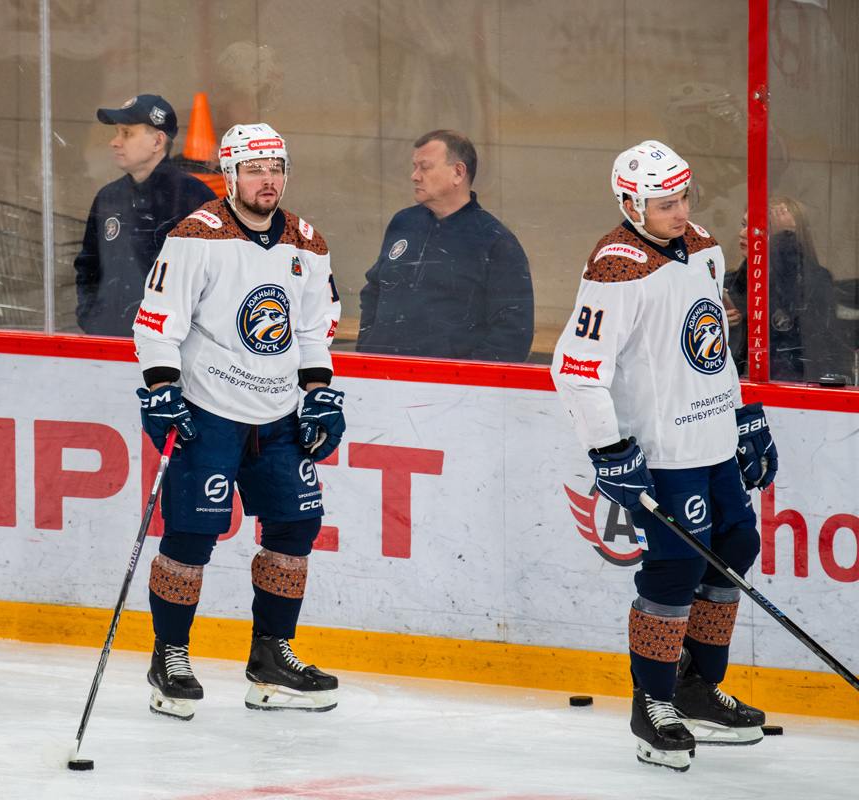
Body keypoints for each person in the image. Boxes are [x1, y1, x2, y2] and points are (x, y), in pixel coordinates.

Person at [550, 141, 778, 772]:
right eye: (664, 203)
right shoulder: (615, 268)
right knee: (676, 567)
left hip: (712, 440)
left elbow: (712, 344)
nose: (680, 212)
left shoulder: (704, 246)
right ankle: (652, 702)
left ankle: (698, 687)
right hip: (664, 451)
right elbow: (575, 369)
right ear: (631, 205)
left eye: (683, 197)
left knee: (735, 545)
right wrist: (609, 449)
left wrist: (741, 415)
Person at [132, 123, 344, 720]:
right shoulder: (195, 235)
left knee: (296, 528)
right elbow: (157, 323)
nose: (267, 179)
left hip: (278, 416)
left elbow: (313, 330)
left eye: (276, 168)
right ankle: (170, 656)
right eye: (254, 169)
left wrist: (319, 394)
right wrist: (162, 390)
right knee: (192, 534)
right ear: (229, 176)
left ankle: (271, 656)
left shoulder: (308, 242)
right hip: (209, 412)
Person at [356, 130, 533, 361]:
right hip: (379, 371)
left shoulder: (495, 241)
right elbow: (374, 289)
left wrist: (463, 377)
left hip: (445, 381)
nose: (414, 176)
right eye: (414, 167)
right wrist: (368, 345)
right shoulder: (404, 221)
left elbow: (513, 333)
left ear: (458, 172)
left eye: (425, 167)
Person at [74, 94, 219, 336]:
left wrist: (191, 335)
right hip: (108, 340)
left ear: (158, 141)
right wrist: (91, 317)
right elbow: (88, 265)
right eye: (117, 132)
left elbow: (217, 277)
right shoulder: (108, 197)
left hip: (171, 347)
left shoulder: (194, 198)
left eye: (127, 133)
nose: (115, 142)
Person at [725, 196, 844, 382]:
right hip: (741, 384)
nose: (742, 234)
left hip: (794, 385)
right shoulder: (733, 280)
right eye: (744, 225)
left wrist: (785, 243)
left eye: (758, 229)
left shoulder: (817, 280)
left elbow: (789, 319)